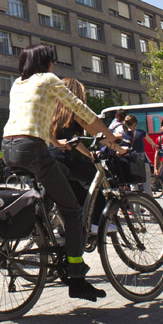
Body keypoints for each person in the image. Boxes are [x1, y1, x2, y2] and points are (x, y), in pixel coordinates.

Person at [1, 44, 124, 302]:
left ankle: (41, 220)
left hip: (9, 148)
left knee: (63, 170)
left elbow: (32, 117)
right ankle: (77, 277)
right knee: (73, 211)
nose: (54, 66)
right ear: (46, 63)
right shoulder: (48, 79)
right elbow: (81, 112)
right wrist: (112, 141)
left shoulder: (16, 84)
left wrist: (55, 143)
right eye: (53, 61)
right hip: (31, 148)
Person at [47, 78, 104, 232]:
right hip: (65, 159)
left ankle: (71, 223)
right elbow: (85, 135)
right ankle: (97, 223)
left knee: (75, 191)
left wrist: (88, 153)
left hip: (51, 158)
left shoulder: (53, 111)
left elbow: (72, 140)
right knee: (96, 176)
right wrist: (112, 144)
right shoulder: (74, 110)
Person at [122, 115, 158, 195]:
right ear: (135, 123)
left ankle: (136, 207)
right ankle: (150, 206)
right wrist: (154, 145)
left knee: (134, 188)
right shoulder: (141, 133)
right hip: (143, 162)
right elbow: (151, 142)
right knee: (147, 187)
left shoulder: (122, 134)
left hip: (131, 163)